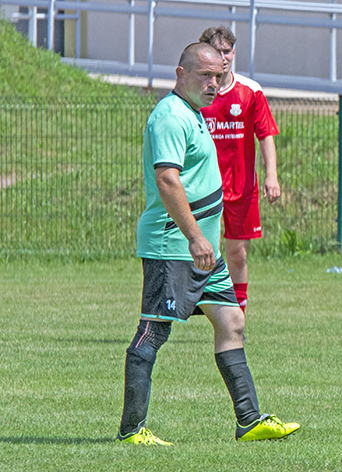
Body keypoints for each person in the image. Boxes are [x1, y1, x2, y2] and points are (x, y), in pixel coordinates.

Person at [116, 42, 299, 445]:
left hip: (203, 251)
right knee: (153, 332)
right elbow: (167, 179)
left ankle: (249, 421)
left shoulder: (194, 113)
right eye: (204, 75)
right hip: (176, 246)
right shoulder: (170, 116)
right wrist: (196, 236)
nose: (214, 84)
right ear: (180, 75)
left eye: (218, 76)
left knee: (232, 322)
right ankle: (132, 430)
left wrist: (205, 243)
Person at [198, 26, 281, 315]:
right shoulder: (196, 95)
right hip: (203, 189)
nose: (223, 57)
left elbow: (266, 134)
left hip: (242, 188)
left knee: (237, 253)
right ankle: (193, 308)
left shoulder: (250, 91)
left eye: (227, 51)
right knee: (201, 252)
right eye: (217, 51)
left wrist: (271, 175)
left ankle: (237, 318)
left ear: (234, 53)